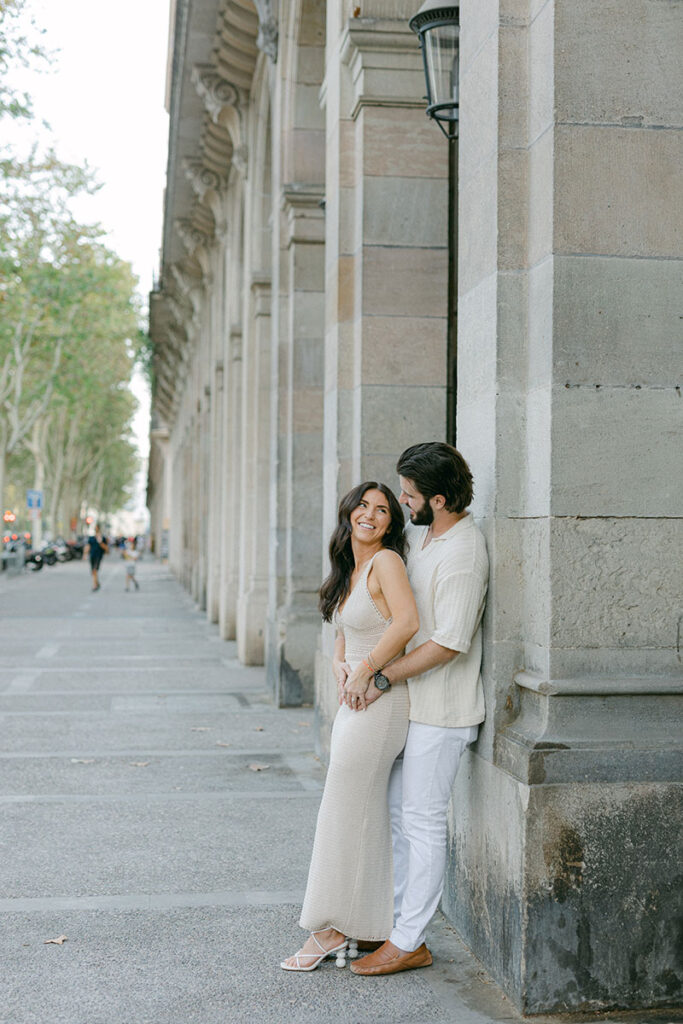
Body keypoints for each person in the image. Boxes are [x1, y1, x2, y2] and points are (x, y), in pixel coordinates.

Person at [350, 442, 489, 976]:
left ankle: (410, 941)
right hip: (411, 705)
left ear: (437, 498)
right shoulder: (424, 536)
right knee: (396, 816)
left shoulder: (463, 555)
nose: (402, 502)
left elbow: (448, 643)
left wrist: (381, 675)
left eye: (408, 496)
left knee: (424, 823)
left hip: (443, 714)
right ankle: (394, 924)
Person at [281, 482, 419, 972]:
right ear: (349, 512)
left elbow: (406, 622)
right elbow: (347, 629)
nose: (371, 515)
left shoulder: (387, 562)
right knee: (355, 812)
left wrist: (367, 669)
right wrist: (342, 662)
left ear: (390, 523)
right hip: (354, 699)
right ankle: (364, 927)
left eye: (382, 510)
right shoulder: (351, 568)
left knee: (344, 808)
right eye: (363, 505)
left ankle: (333, 928)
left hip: (380, 702)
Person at [85, 524, 108, 592]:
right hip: (92, 555)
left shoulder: (102, 538)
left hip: (99, 556)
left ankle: (94, 585)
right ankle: (97, 583)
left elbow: (106, 549)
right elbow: (88, 546)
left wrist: (100, 542)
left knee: (95, 570)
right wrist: (85, 554)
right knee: (93, 571)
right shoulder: (91, 538)